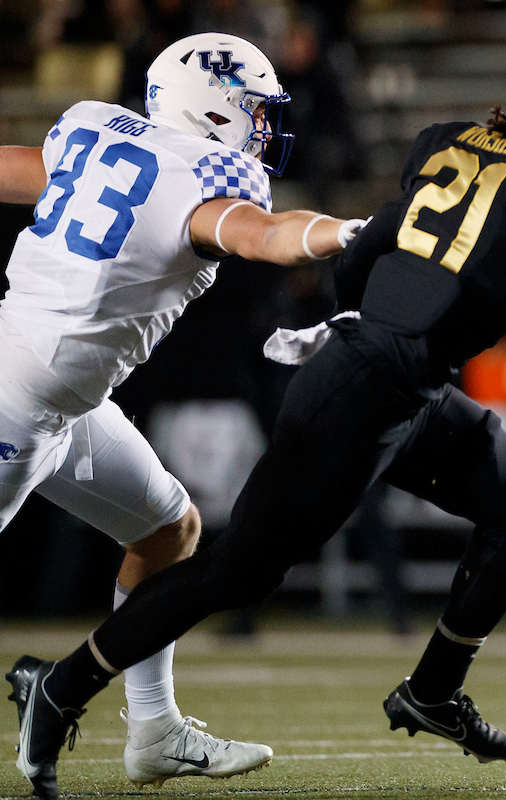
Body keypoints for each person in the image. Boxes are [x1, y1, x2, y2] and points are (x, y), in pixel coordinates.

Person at [7, 54, 506, 791]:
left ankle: (433, 691)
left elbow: (372, 242)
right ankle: (62, 685)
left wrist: (360, 318)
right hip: (366, 389)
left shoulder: (449, 140)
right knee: (237, 571)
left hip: (397, 380)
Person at [0, 31, 364, 798]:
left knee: (168, 529)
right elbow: (264, 235)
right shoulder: (207, 175)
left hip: (57, 396)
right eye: (254, 109)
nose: (265, 127)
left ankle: (155, 730)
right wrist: (349, 231)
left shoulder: (97, 131)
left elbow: (19, 167)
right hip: (17, 397)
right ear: (214, 108)